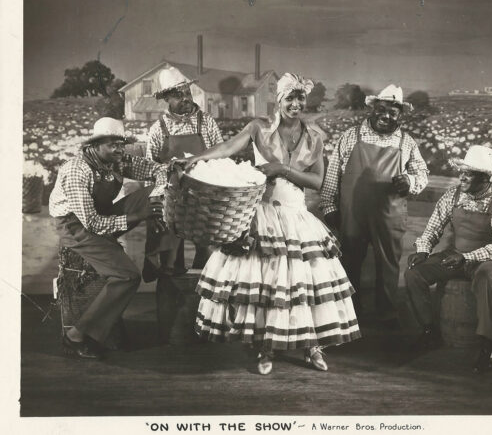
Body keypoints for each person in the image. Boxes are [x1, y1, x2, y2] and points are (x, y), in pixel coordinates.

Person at [182, 73, 361, 375]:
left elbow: (317, 181)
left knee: (302, 284)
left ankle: (311, 346)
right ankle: (266, 348)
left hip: (295, 215)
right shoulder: (258, 128)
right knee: (267, 283)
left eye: (300, 98)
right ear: (278, 100)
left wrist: (281, 168)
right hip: (262, 212)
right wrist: (195, 159)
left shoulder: (314, 136)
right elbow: (226, 148)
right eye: (289, 98)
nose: (295, 103)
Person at [49, 117, 168, 359]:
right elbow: (91, 223)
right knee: (127, 275)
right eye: (112, 144)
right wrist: (137, 217)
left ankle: (156, 258)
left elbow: (157, 169)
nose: (119, 149)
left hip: (99, 215)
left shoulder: (117, 160)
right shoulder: (76, 170)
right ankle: (76, 335)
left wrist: (159, 191)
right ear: (95, 145)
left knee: (151, 196)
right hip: (74, 225)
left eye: (121, 144)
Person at [319, 85, 429, 325]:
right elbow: (333, 174)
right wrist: (329, 206)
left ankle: (386, 315)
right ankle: (348, 315)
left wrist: (409, 182)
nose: (386, 116)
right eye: (382, 109)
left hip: (389, 213)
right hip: (353, 213)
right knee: (349, 262)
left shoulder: (406, 142)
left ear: (400, 115)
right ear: (372, 109)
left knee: (388, 265)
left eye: (393, 112)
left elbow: (422, 174)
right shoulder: (351, 136)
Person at [405, 145, 492, 373]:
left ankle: (487, 346)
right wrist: (423, 249)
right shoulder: (454, 194)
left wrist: (466, 257)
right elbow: (434, 226)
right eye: (462, 171)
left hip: (487, 259)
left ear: (485, 177)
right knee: (414, 274)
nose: (462, 176)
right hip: (455, 255)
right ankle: (429, 332)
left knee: (486, 279)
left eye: (469, 173)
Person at [144, 67, 224, 342]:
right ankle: (167, 330)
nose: (185, 98)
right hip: (171, 201)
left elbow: (222, 157)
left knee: (212, 260)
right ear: (166, 99)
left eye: (186, 92)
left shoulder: (207, 123)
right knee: (168, 263)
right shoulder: (158, 129)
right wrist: (168, 173)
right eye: (177, 95)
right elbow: (150, 167)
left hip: (204, 200)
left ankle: (209, 326)